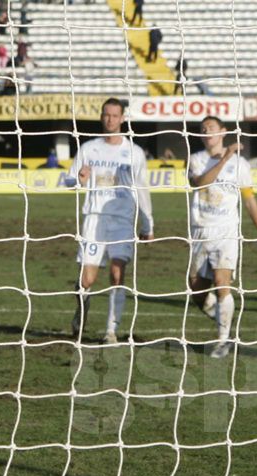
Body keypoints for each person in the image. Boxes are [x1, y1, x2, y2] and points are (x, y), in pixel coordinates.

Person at [67, 98, 153, 344]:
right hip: (94, 219)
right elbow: (70, 180)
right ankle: (80, 316)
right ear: (101, 116)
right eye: (106, 115)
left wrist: (149, 225)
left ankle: (110, 331)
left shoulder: (134, 153)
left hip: (122, 221)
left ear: (122, 118)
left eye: (115, 115)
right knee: (87, 281)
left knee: (117, 274)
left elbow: (142, 189)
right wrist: (79, 180)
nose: (110, 119)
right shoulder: (89, 148)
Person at [186, 116, 257, 359]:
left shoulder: (241, 165)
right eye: (203, 130)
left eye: (211, 129)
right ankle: (222, 318)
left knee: (222, 282)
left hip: (227, 232)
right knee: (196, 291)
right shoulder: (195, 160)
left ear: (223, 132)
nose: (207, 134)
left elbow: (249, 200)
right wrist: (224, 159)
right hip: (200, 231)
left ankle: (223, 339)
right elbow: (200, 185)